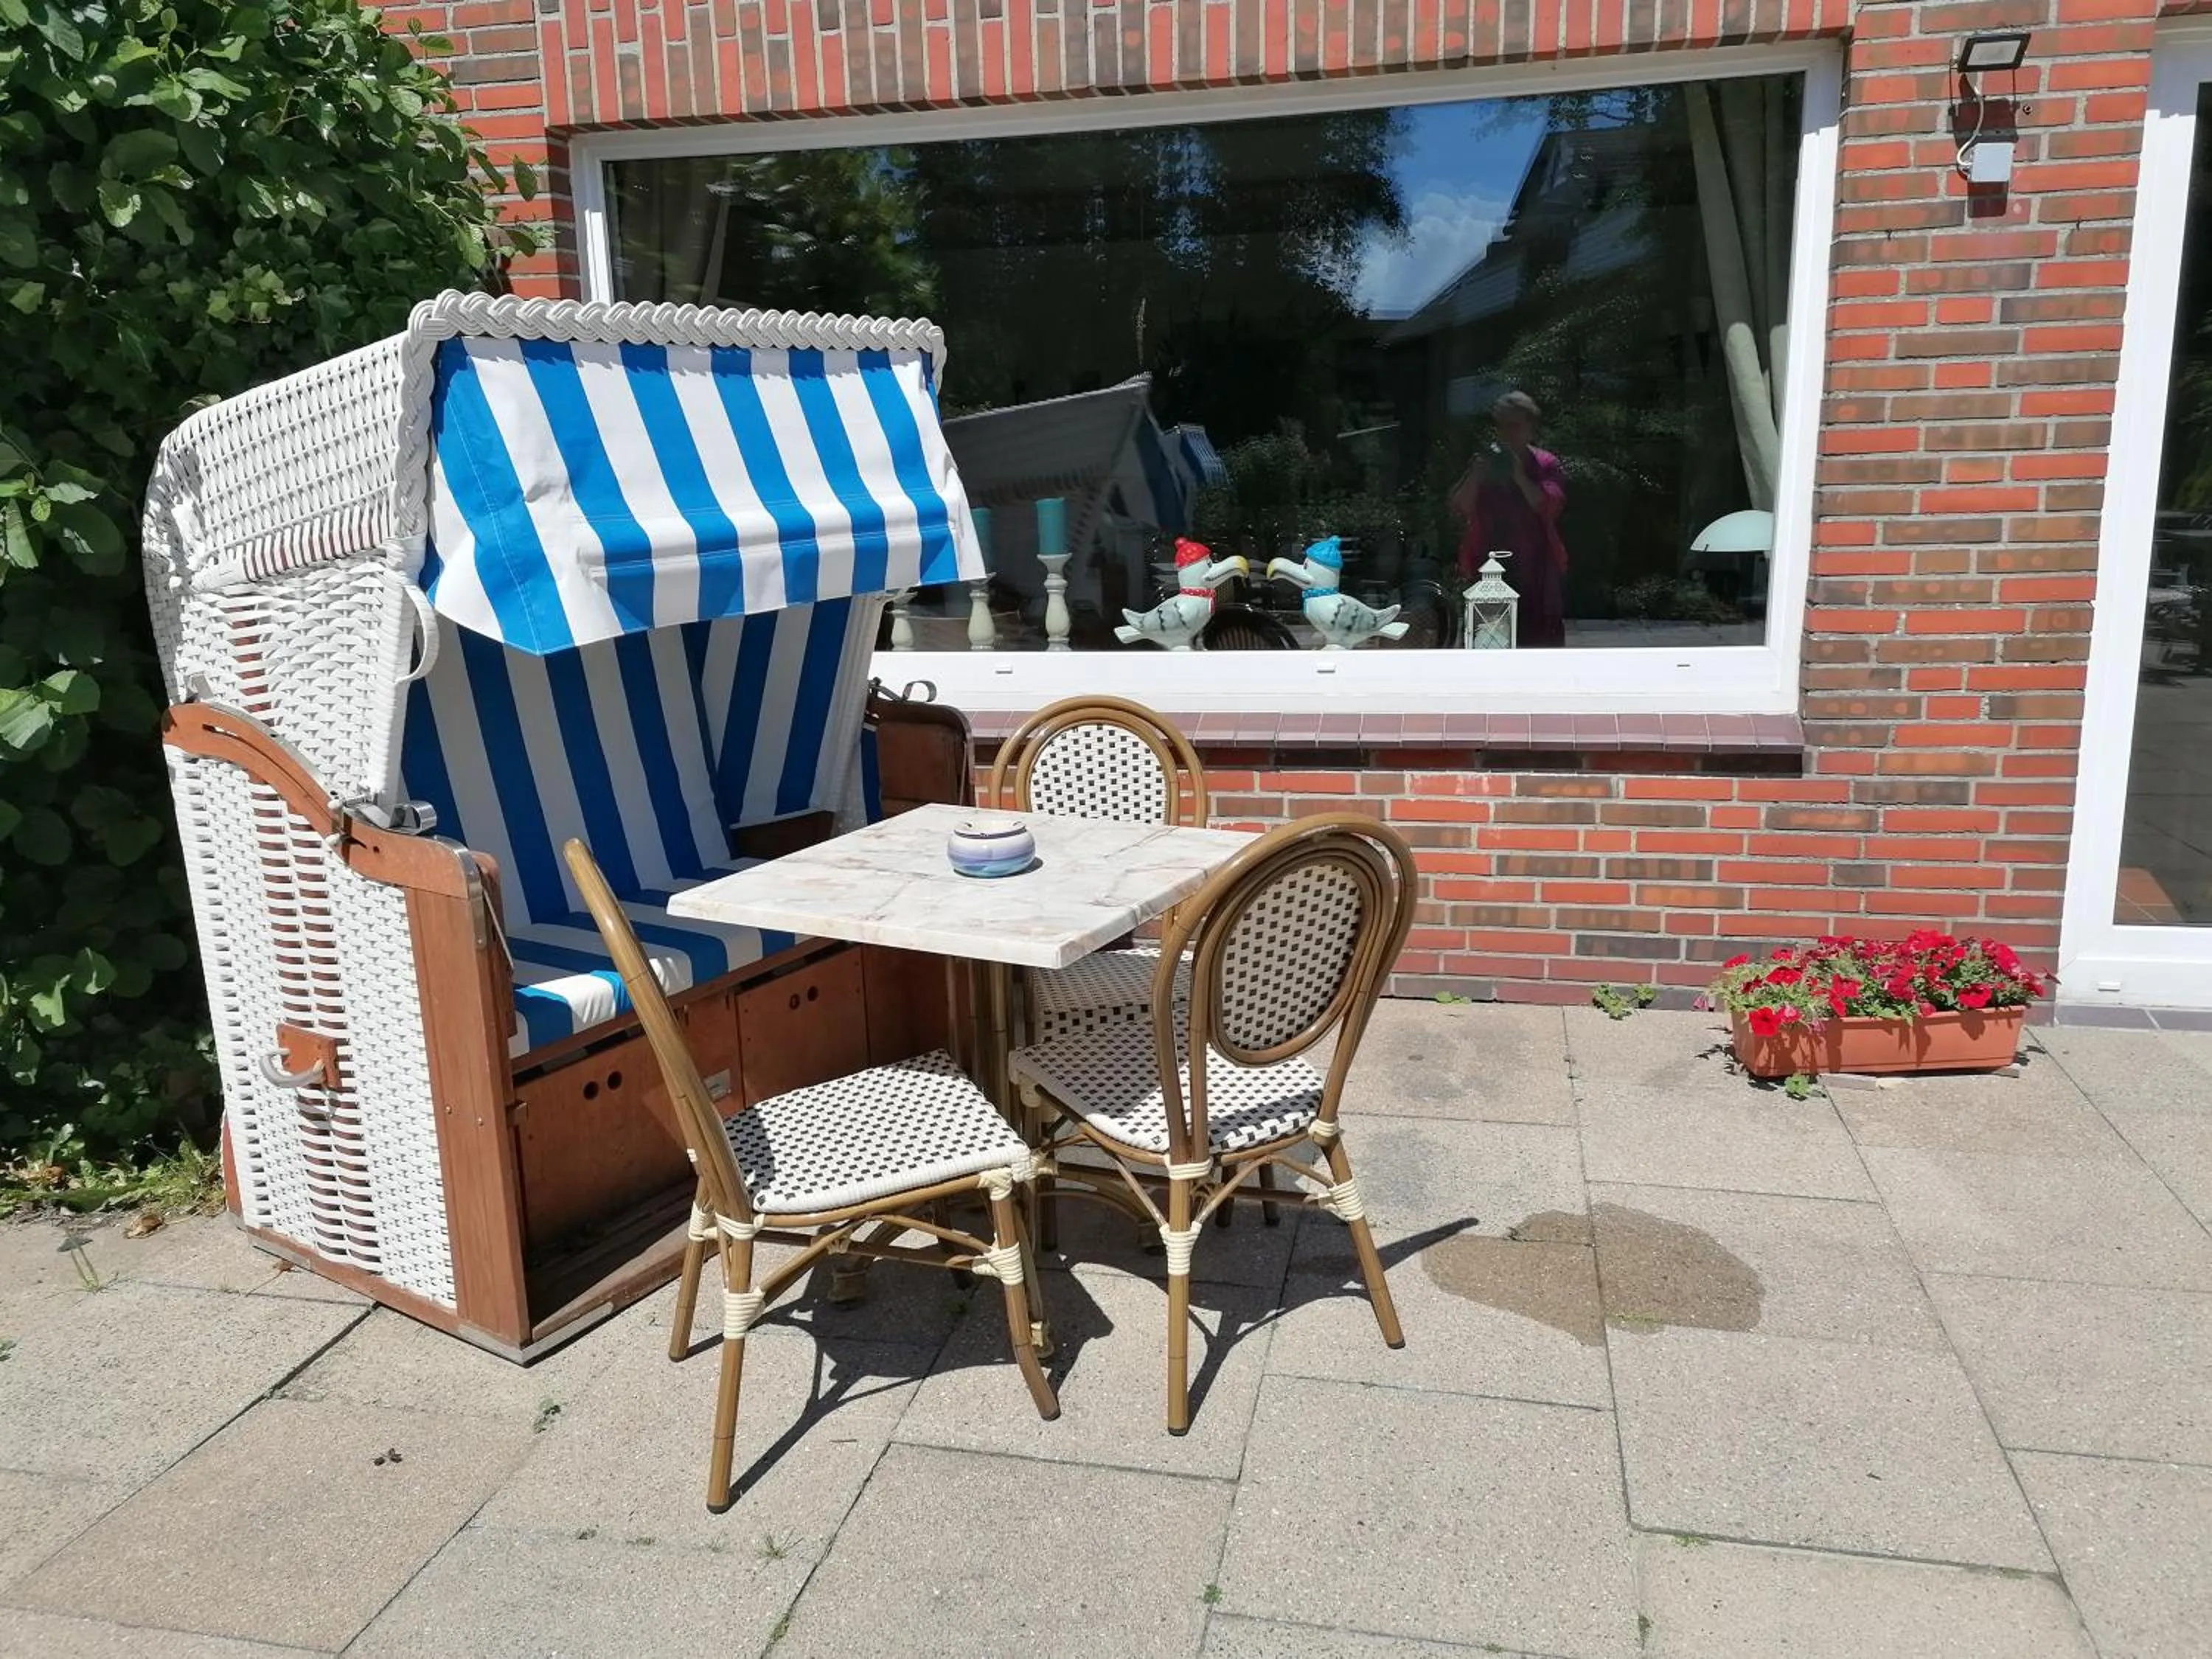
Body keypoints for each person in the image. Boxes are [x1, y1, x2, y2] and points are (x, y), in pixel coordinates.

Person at [1451, 390, 1568, 648]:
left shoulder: (1545, 464)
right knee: (1487, 647)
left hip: (1535, 575)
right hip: (1490, 574)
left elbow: (1550, 506)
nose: (1506, 434)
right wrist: (1475, 476)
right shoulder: (1486, 462)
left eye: (1514, 426)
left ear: (1530, 429)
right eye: (1502, 427)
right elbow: (1460, 508)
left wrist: (1518, 475)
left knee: (1538, 650)